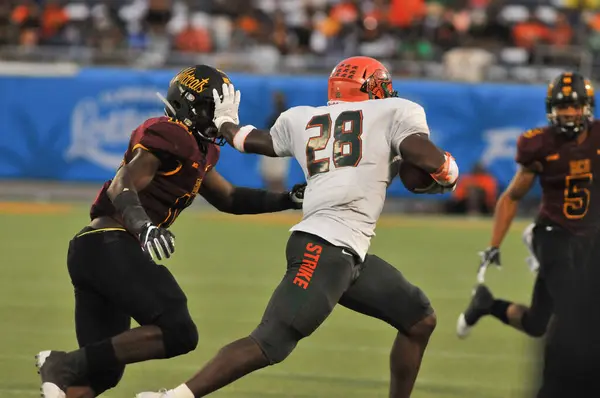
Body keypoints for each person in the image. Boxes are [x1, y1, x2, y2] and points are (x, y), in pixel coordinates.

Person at [136, 56, 459, 398]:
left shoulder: (302, 118)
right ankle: (175, 397)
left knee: (418, 318)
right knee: (270, 341)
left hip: (345, 251)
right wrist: (448, 171)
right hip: (325, 247)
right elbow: (429, 160)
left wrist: (227, 123)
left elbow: (248, 140)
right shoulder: (398, 110)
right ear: (372, 86)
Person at [35, 65, 306, 398]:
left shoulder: (199, 149)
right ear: (190, 105)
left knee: (99, 373)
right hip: (110, 243)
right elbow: (121, 184)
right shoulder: (171, 134)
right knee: (178, 330)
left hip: (96, 251)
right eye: (212, 108)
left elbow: (230, 197)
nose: (218, 118)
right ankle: (60, 364)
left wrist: (286, 199)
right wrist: (143, 225)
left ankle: (67, 368)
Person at [456, 72, 600, 397]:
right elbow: (511, 197)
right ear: (552, 109)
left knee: (536, 323)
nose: (569, 114)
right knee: (574, 313)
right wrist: (494, 244)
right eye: (563, 108)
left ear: (587, 108)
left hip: (590, 238)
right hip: (553, 233)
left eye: (575, 107)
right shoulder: (540, 144)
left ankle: (487, 304)